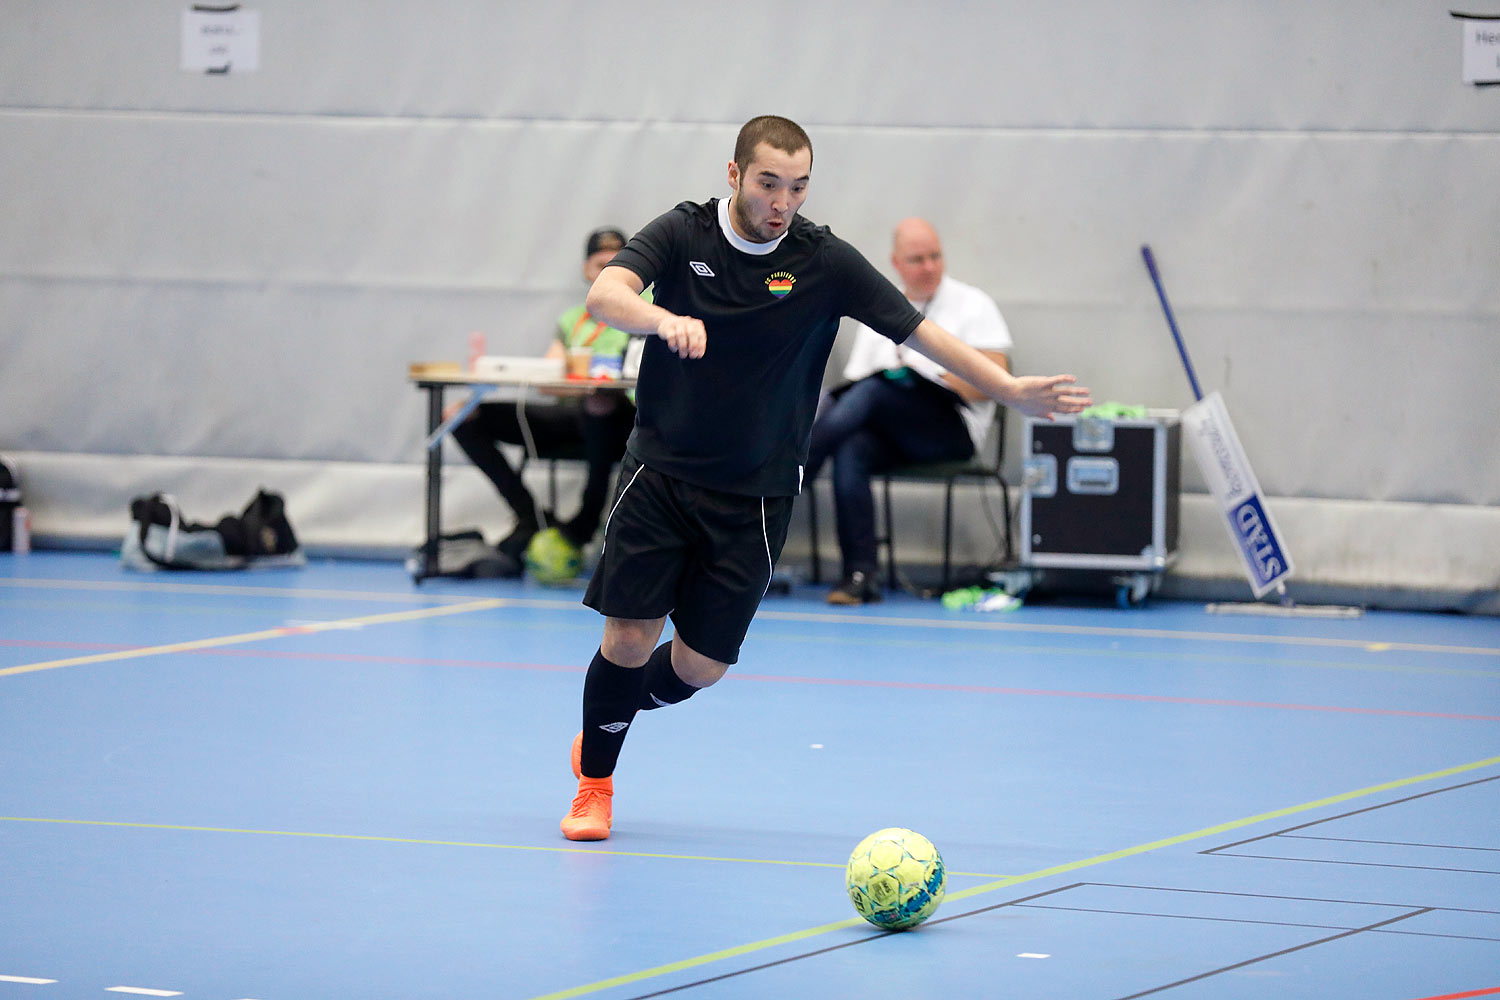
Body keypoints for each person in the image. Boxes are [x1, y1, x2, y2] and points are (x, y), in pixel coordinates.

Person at [559, 116, 1090, 841]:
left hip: (757, 493)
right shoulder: (685, 233)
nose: (782, 201)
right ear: (735, 174)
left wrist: (1005, 387)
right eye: (769, 182)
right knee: (628, 635)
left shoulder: (824, 259)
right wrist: (657, 319)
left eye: (798, 186)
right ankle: (596, 778)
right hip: (660, 472)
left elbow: (918, 332)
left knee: (700, 667)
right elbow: (606, 296)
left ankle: (605, 723)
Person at [805, 218, 1013, 605]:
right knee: (852, 444)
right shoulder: (881, 305)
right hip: (890, 431)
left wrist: (934, 373)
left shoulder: (973, 303)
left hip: (951, 432)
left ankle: (797, 467)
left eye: (935, 256)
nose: (929, 266)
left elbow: (996, 378)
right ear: (897, 263)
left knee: (876, 390)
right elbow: (854, 389)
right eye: (917, 260)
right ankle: (860, 575)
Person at [449, 228, 639, 577]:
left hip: (626, 420)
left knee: (601, 404)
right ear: (586, 271)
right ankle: (529, 515)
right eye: (600, 265)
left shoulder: (643, 311)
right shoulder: (573, 319)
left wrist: (587, 384)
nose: (607, 272)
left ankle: (585, 523)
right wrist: (581, 383)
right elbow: (552, 381)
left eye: (616, 264)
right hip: (574, 412)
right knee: (462, 416)